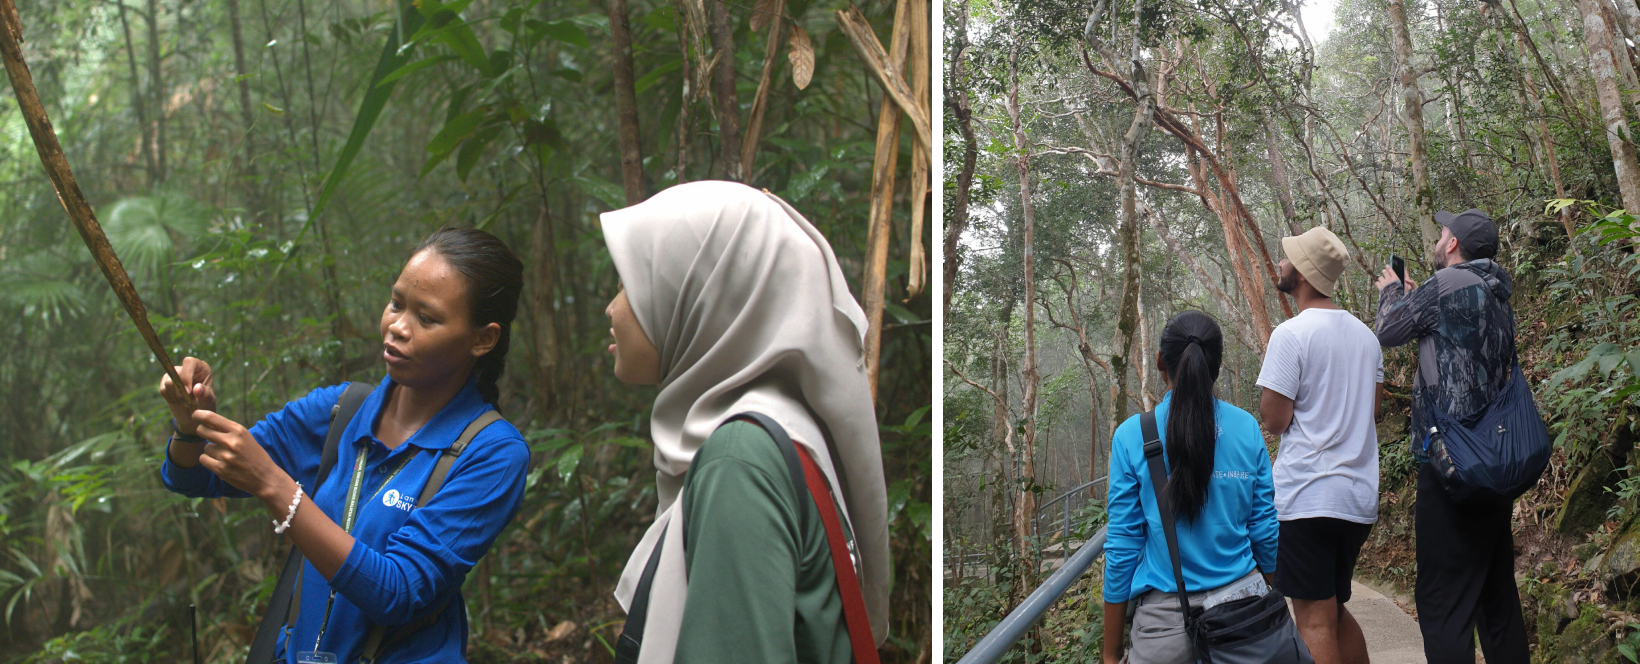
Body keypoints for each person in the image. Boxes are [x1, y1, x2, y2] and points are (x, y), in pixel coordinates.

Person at [158, 228, 530, 664]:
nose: (397, 326)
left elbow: (400, 591)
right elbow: (195, 475)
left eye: (426, 319)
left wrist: (275, 487)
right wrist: (190, 425)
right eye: (396, 304)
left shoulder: (493, 453)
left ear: (482, 339)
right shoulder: (341, 410)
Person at [600, 181, 891, 663]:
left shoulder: (739, 458)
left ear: (701, 293)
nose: (612, 307)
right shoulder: (785, 423)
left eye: (630, 283)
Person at [1375, 208, 1528, 664]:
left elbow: (1388, 330)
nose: (1439, 239)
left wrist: (1389, 293)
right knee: (1496, 596)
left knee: (1442, 602)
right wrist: (1414, 296)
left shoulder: (1445, 286)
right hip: (1496, 459)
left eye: (1443, 233)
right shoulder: (1497, 291)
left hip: (1451, 465)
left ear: (1454, 244)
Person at [1101, 311, 1281, 664]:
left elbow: (1122, 547)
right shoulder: (1245, 427)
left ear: (1159, 362)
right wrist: (1273, 601)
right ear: (1215, 365)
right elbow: (1264, 528)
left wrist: (1110, 654)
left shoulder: (1131, 436)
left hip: (1164, 629)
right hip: (1244, 615)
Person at [1257, 226, 1382, 664]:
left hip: (1309, 497)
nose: (1281, 263)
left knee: (1312, 620)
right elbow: (1371, 411)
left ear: (1304, 274)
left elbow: (1274, 420)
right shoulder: (1367, 338)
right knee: (1334, 610)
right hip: (1357, 500)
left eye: (1288, 258)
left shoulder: (1290, 335)